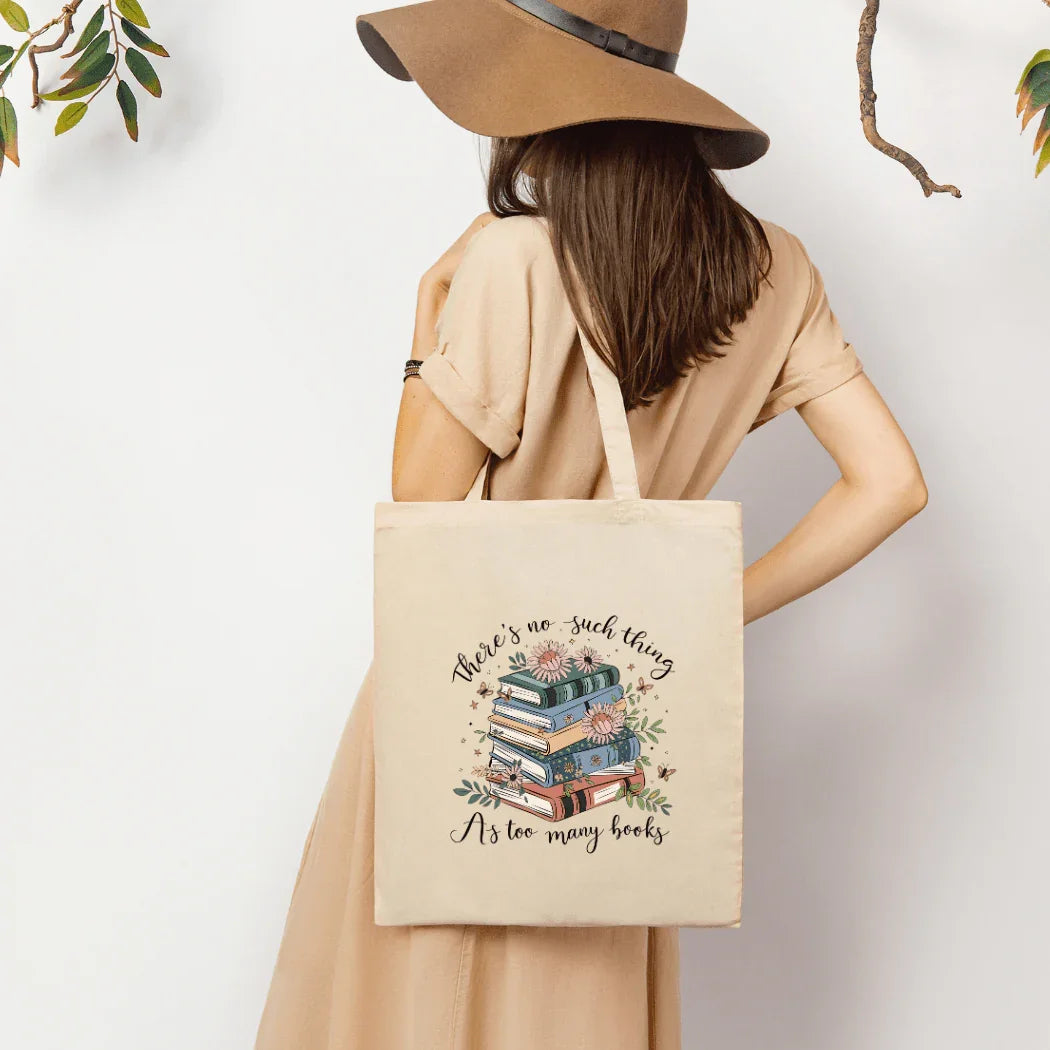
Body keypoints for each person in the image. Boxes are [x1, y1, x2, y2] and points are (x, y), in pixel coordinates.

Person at [254, 2, 928, 1047]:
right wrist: (699, 615)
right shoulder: (774, 269)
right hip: (616, 708)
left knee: (420, 1008)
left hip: (467, 698)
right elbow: (889, 482)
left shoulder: (510, 264)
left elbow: (424, 511)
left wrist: (422, 334)